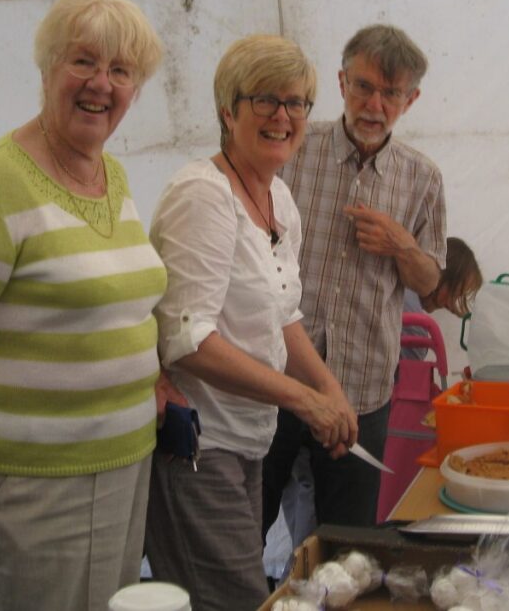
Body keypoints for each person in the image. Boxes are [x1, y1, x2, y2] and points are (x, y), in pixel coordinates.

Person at [0, 0, 167, 610]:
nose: (102, 84)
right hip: (35, 488)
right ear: (48, 67)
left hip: (127, 462)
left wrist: (151, 376)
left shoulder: (114, 174)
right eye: (84, 62)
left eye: (121, 71)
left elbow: (119, 300)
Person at [145, 34, 357, 611]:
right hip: (196, 445)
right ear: (227, 111)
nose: (282, 116)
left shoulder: (278, 198)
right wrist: (302, 400)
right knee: (233, 599)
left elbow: (283, 314)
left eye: (296, 103)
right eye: (265, 99)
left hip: (246, 441)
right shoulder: (203, 196)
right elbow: (188, 342)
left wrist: (329, 388)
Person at [262, 24, 447, 532]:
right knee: (241, 532)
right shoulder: (291, 147)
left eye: (391, 93)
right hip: (274, 378)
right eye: (364, 86)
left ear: (410, 100)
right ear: (341, 83)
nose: (375, 104)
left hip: (361, 389)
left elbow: (432, 287)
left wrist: (401, 244)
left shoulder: (422, 177)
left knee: (348, 544)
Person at [400, 236, 483, 360]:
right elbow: (408, 376)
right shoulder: (416, 328)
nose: (450, 305)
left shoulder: (397, 287)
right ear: (441, 273)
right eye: (455, 293)